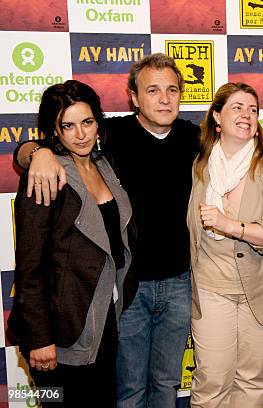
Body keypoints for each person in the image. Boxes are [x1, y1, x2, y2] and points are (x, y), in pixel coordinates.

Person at [13, 53, 263, 407]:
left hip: (182, 284)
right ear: (134, 96)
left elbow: (241, 144)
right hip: (128, 288)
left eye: (172, 90)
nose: (165, 98)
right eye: (153, 90)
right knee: (130, 389)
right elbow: (61, 136)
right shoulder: (110, 135)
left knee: (166, 384)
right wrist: (36, 152)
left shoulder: (193, 139)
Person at [8, 80, 133, 406]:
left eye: (88, 122)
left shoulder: (106, 165)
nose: (81, 134)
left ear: (98, 123)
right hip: (57, 333)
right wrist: (39, 339)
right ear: (55, 129)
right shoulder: (46, 175)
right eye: (69, 125)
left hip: (102, 321)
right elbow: (29, 265)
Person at [186, 82, 263, 407]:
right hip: (211, 287)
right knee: (211, 382)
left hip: (261, 289)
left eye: (253, 109)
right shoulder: (198, 166)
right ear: (217, 116)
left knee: (251, 381)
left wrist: (228, 225)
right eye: (237, 107)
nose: (247, 114)